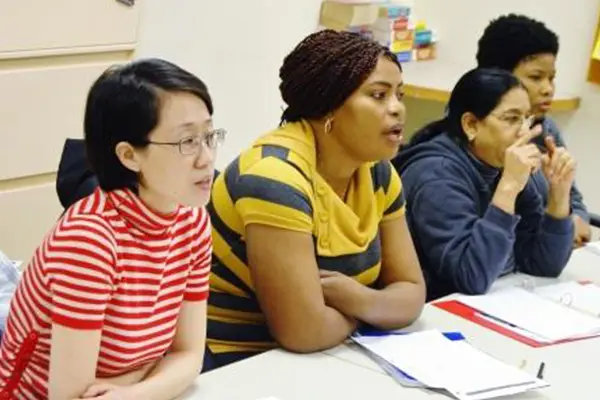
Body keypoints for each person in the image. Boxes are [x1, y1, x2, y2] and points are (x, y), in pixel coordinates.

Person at [0, 58, 221, 399]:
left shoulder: (191, 222)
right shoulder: (89, 240)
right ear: (130, 155)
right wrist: (151, 377)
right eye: (187, 142)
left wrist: (133, 391)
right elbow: (71, 397)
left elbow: (190, 356)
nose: (207, 157)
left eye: (209, 135)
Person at [206, 29, 426, 368]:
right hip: (238, 363)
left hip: (330, 354)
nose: (397, 109)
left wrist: (356, 299)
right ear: (328, 109)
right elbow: (303, 332)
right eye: (379, 95)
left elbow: (412, 293)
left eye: (400, 94)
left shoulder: (378, 173)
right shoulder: (274, 176)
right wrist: (377, 310)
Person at [392, 68, 575, 301]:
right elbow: (471, 277)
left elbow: (543, 264)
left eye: (526, 119)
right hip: (432, 313)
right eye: (511, 119)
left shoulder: (499, 164)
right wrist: (508, 188)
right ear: (471, 125)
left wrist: (559, 196)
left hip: (495, 299)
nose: (523, 132)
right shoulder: (436, 174)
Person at [476, 13, 591, 248]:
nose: (548, 89)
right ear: (499, 78)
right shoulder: (480, 137)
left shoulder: (544, 127)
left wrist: (575, 217)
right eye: (536, 77)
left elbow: (572, 196)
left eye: (551, 78)